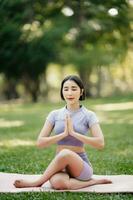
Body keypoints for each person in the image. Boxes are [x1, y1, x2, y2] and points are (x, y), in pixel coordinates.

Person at [14, 75, 111, 190]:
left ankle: (37, 182)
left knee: (65, 153)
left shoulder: (89, 115)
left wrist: (74, 133)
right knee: (58, 184)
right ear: (62, 92)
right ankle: (93, 182)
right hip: (60, 166)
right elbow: (40, 142)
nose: (69, 93)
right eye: (66, 89)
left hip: (80, 167)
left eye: (74, 89)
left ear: (81, 92)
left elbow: (100, 143)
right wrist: (64, 134)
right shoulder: (54, 114)